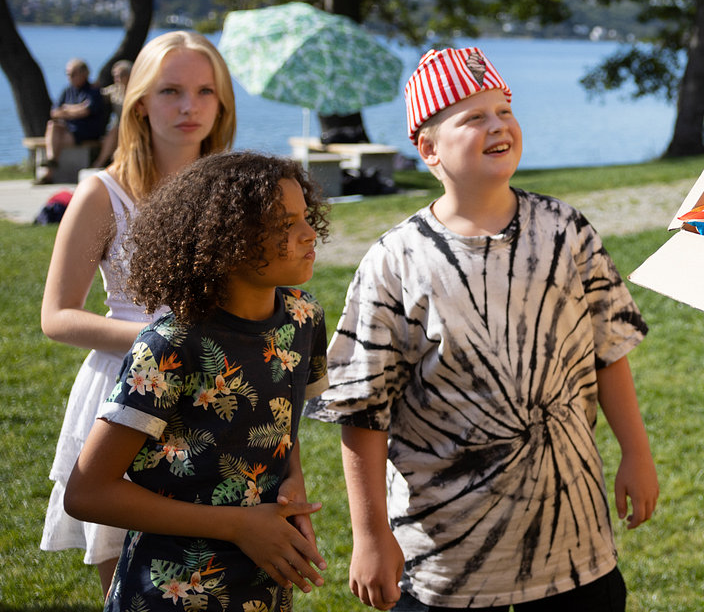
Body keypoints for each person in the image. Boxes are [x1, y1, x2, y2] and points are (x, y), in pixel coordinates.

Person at [308, 47, 657, 611]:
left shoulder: (565, 231)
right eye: (472, 117)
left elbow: (609, 350)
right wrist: (370, 537)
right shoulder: (396, 261)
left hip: (574, 547)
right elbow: (360, 409)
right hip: (447, 561)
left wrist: (636, 454)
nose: (497, 125)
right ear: (428, 149)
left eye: (503, 110)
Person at [62, 150, 333, 611]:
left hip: (262, 585)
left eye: (305, 217)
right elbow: (87, 492)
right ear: (226, 239)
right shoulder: (171, 345)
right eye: (284, 224)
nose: (309, 234)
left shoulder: (304, 318)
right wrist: (239, 525)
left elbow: (280, 421)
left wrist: (293, 480)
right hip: (167, 592)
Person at [39, 31, 238, 596]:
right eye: (170, 90)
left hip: (219, 390)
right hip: (127, 393)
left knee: (222, 573)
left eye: (205, 91)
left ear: (222, 102)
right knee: (134, 585)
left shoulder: (236, 193)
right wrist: (162, 340)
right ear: (140, 101)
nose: (188, 106)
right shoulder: (103, 193)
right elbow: (56, 316)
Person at [39, 58, 110, 182]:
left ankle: (49, 172)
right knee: (52, 126)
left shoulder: (93, 90)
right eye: (68, 74)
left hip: (86, 131)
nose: (70, 77)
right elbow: (54, 112)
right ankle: (52, 161)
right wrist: (76, 109)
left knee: (56, 138)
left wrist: (66, 109)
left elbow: (86, 111)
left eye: (73, 74)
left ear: (84, 73)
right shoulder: (67, 90)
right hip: (68, 129)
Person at [92, 60, 135, 169]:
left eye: (120, 75)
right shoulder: (114, 90)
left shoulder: (137, 90)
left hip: (135, 125)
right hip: (119, 126)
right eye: (115, 76)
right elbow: (98, 96)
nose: (117, 79)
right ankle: (101, 163)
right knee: (114, 131)